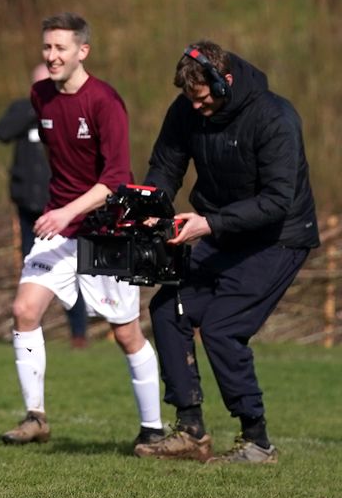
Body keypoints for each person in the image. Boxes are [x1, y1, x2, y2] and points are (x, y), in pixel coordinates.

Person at [133, 41, 318, 464]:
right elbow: (165, 166)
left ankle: (256, 441)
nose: (197, 108)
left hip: (279, 237)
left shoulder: (275, 117)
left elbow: (276, 201)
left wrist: (207, 224)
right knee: (168, 305)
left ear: (225, 81)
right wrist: (153, 208)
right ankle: (190, 430)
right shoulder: (186, 111)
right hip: (221, 230)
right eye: (190, 100)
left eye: (203, 99)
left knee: (222, 326)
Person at [1, 13, 163, 447]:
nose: (52, 56)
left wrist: (65, 211)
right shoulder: (41, 96)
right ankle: (36, 417)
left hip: (104, 230)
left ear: (82, 51)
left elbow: (114, 182)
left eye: (61, 48)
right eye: (47, 48)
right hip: (59, 226)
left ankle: (153, 428)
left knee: (125, 332)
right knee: (24, 311)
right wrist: (59, 212)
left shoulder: (106, 102)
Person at [0, 62, 89, 350]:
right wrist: (35, 108)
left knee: (71, 269)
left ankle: (78, 334)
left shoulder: (70, 112)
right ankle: (31, 328)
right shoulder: (23, 111)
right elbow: (2, 132)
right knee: (32, 267)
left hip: (61, 210)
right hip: (29, 208)